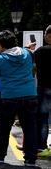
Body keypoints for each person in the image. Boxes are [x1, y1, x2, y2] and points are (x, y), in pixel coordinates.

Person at [0, 30, 38, 167]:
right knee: (29, 128)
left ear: (0, 44)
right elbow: (32, 65)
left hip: (9, 97)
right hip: (29, 95)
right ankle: (30, 159)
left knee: (4, 128)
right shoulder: (28, 53)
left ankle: (0, 157)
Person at [34, 25, 51, 158]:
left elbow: (32, 68)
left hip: (44, 87)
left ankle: (42, 147)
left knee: (43, 118)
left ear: (48, 35)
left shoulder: (40, 51)